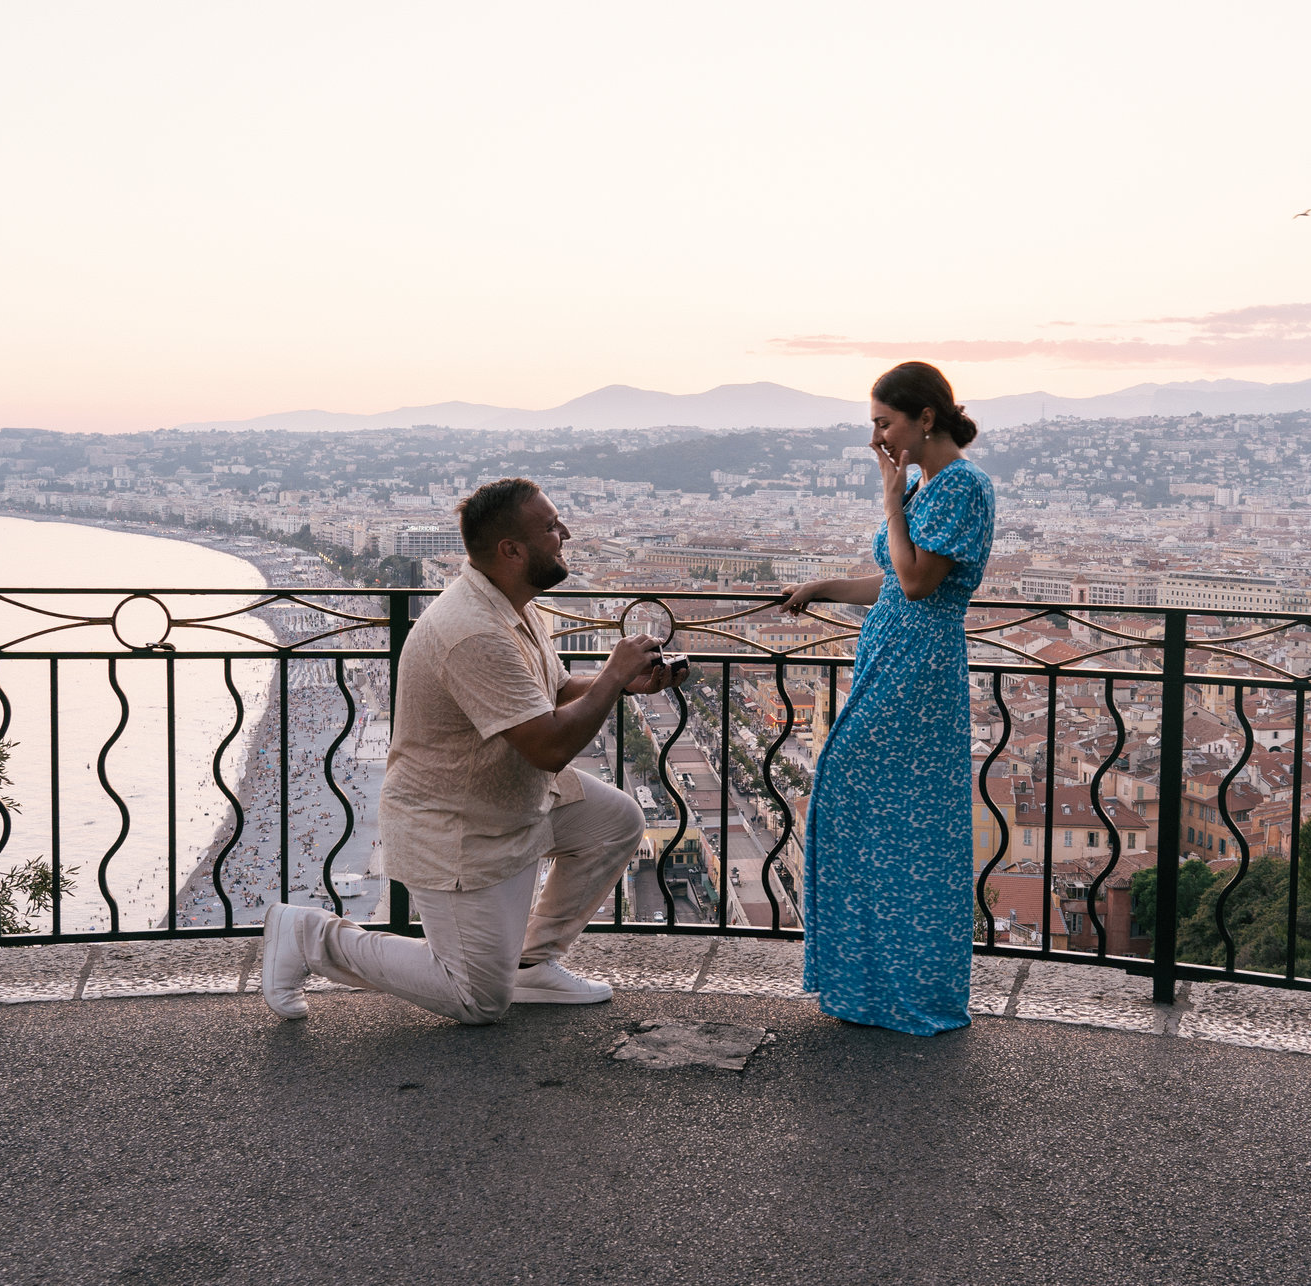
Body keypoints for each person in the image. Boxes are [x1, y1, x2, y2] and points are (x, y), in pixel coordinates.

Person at [260, 478, 677, 1024]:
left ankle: (531, 964)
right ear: (512, 550)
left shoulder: (511, 604)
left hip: (514, 800)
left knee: (616, 822)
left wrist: (620, 682)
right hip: (459, 824)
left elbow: (549, 690)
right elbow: (549, 746)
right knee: (477, 998)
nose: (567, 534)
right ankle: (310, 936)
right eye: (551, 526)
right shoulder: (473, 631)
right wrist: (614, 674)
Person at [778, 361, 994, 1035]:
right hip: (892, 656)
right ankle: (870, 985)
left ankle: (909, 988)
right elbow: (892, 581)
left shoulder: (961, 486)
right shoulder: (931, 486)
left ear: (924, 418)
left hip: (918, 667)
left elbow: (919, 582)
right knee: (883, 817)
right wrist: (821, 587)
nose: (876, 438)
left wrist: (891, 501)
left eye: (883, 422)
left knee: (882, 808)